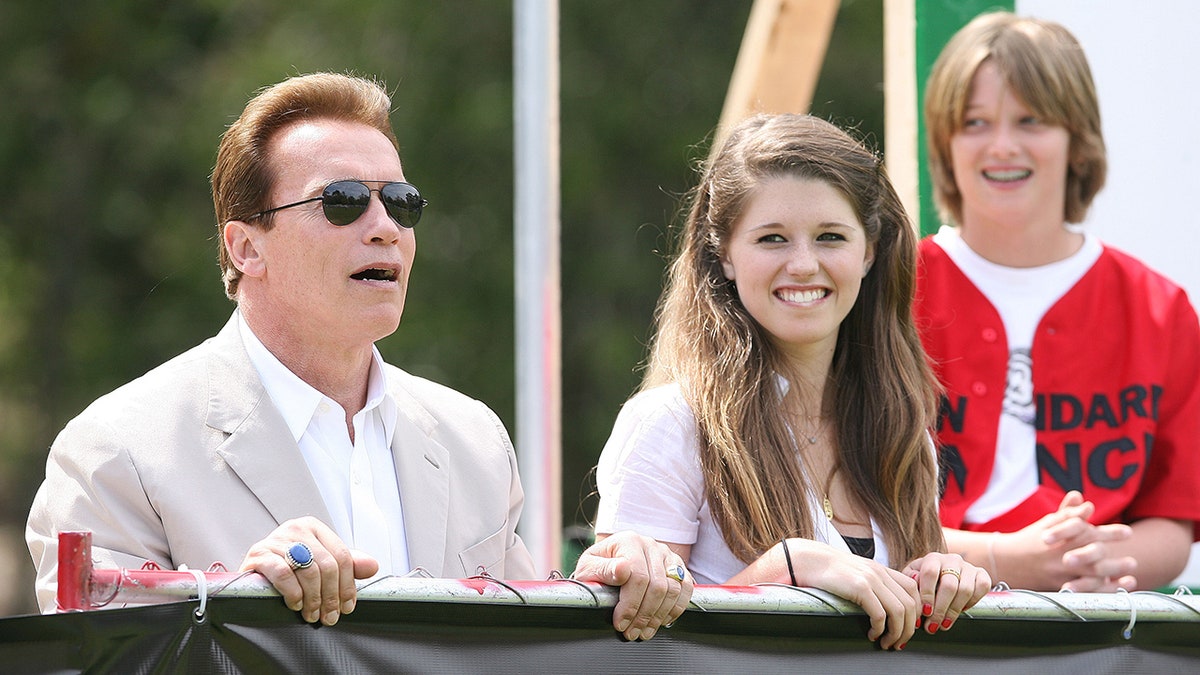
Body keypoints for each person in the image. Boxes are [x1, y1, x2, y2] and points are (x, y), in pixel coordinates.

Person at [26, 72, 691, 640]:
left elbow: (523, 648)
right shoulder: (117, 451)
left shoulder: (473, 441)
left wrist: (613, 585)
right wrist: (240, 599)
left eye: (402, 203)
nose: (384, 226)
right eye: (341, 201)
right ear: (244, 248)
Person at [594, 113, 991, 652]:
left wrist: (941, 579)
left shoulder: (902, 429)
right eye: (772, 238)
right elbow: (635, 651)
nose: (803, 264)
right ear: (725, 256)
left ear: (869, 251)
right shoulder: (669, 422)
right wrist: (787, 569)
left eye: (830, 237)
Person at [917, 12, 1200, 593]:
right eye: (974, 122)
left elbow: (1173, 521)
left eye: (1031, 120)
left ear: (1078, 140)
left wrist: (1097, 560)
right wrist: (998, 557)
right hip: (913, 614)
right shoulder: (888, 291)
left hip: (1094, 622)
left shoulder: (1159, 309)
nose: (1002, 146)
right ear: (945, 143)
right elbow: (835, 508)